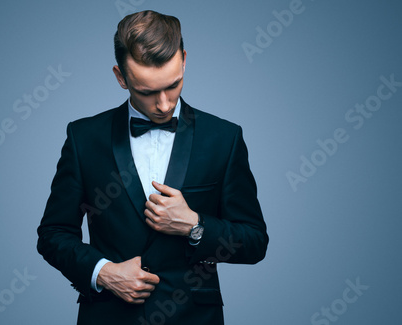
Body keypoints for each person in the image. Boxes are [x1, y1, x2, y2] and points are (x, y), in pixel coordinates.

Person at [37, 10, 268, 325]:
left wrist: (195, 226)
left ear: (184, 60)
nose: (164, 104)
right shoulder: (84, 138)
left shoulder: (224, 138)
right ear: (121, 77)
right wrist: (104, 272)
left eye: (173, 85)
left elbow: (254, 242)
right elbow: (53, 234)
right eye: (147, 91)